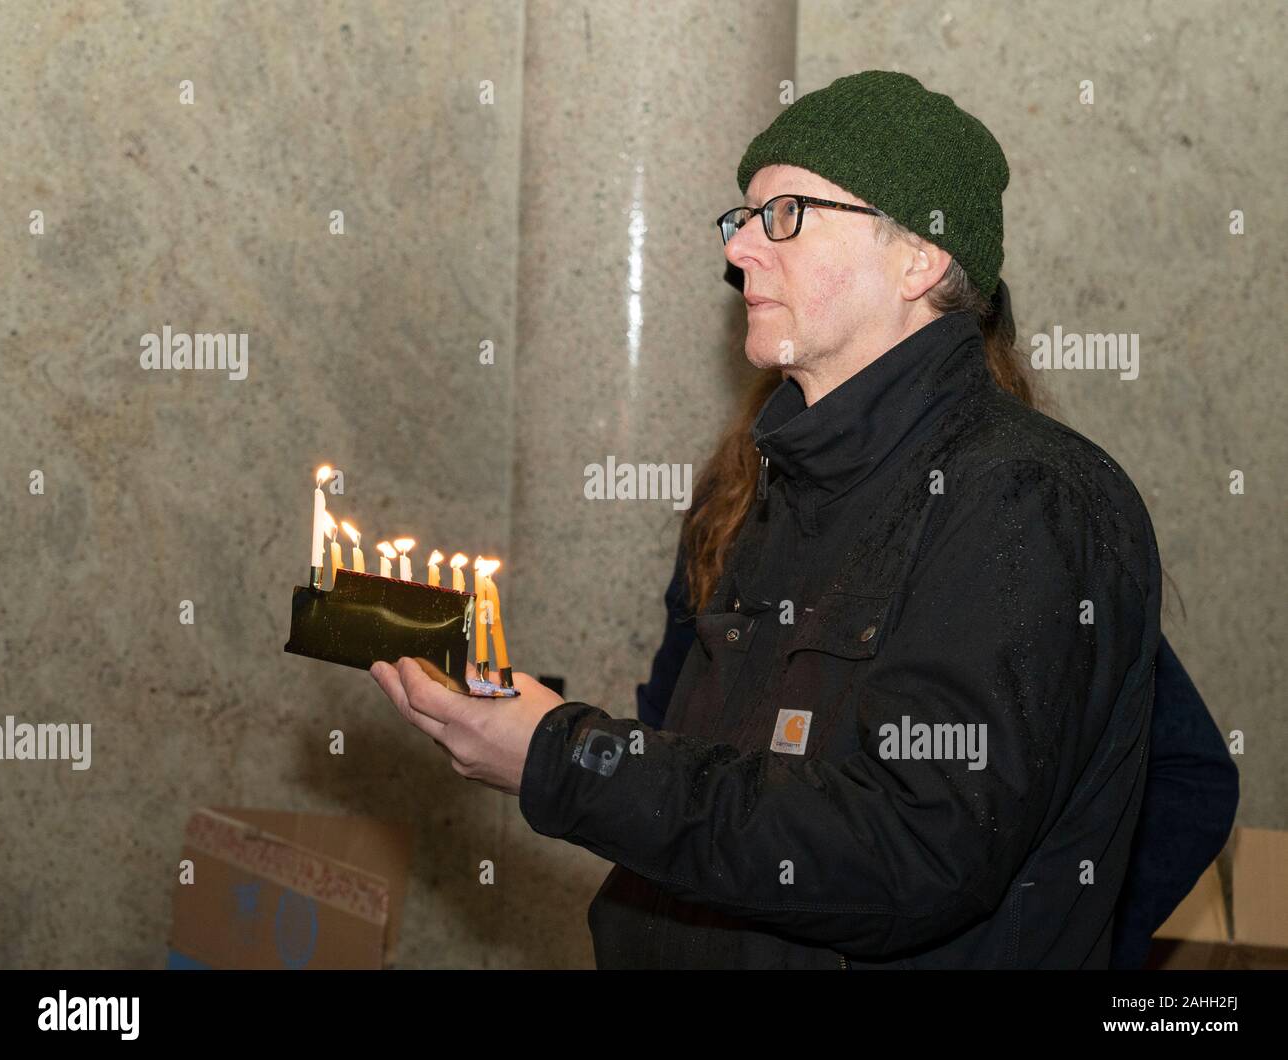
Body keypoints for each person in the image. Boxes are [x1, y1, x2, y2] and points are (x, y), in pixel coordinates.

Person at [369, 71, 1197, 968]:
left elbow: (910, 850)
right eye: (743, 220)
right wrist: (539, 727)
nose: (742, 255)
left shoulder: (1025, 498)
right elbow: (739, 791)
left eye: (787, 215)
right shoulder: (785, 484)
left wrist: (568, 761)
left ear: (919, 256)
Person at [639, 269, 1238, 967]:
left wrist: (1064, 930)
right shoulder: (741, 505)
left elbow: (1188, 780)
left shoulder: (1015, 525)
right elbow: (669, 729)